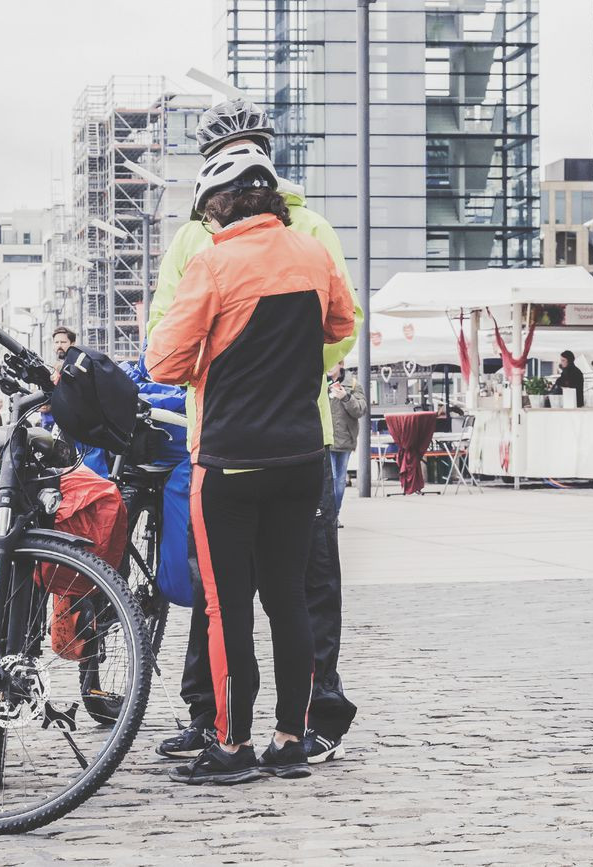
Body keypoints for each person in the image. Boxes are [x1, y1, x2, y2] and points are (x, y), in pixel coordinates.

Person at [147, 98, 363, 766]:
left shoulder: (210, 262)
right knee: (292, 601)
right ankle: (292, 739)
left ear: (222, 203)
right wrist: (292, 366)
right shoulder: (313, 248)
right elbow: (341, 325)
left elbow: (164, 361)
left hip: (229, 458)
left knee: (226, 608)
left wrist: (220, 355)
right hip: (302, 451)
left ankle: (232, 740)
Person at [327, 362, 366, 519]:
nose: (329, 366)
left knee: (340, 481)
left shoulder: (353, 384)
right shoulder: (319, 382)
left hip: (345, 439)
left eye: (333, 362)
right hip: (325, 440)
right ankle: (329, 516)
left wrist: (346, 397)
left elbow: (361, 410)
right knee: (331, 478)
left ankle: (334, 514)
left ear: (341, 364)